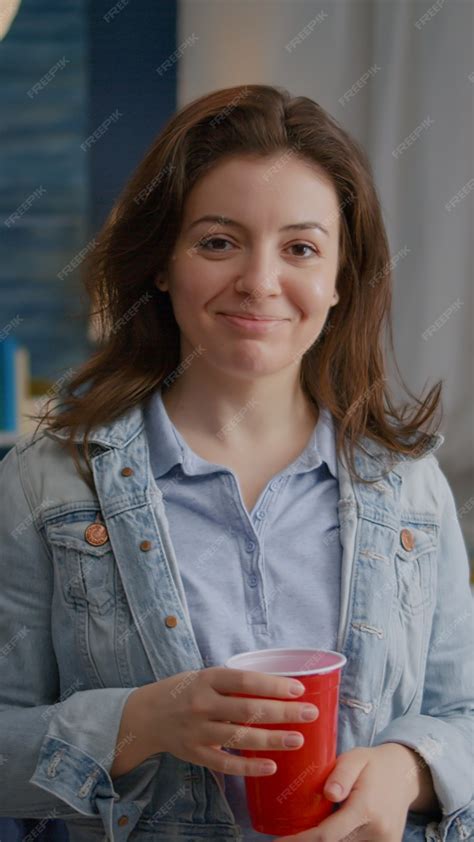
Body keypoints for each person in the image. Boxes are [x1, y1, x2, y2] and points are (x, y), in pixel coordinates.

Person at [0, 84, 472, 842]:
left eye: (301, 248)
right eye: (218, 241)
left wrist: (409, 768)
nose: (259, 281)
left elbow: (464, 713)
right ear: (162, 263)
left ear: (340, 280)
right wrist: (137, 722)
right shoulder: (44, 483)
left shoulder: (409, 486)